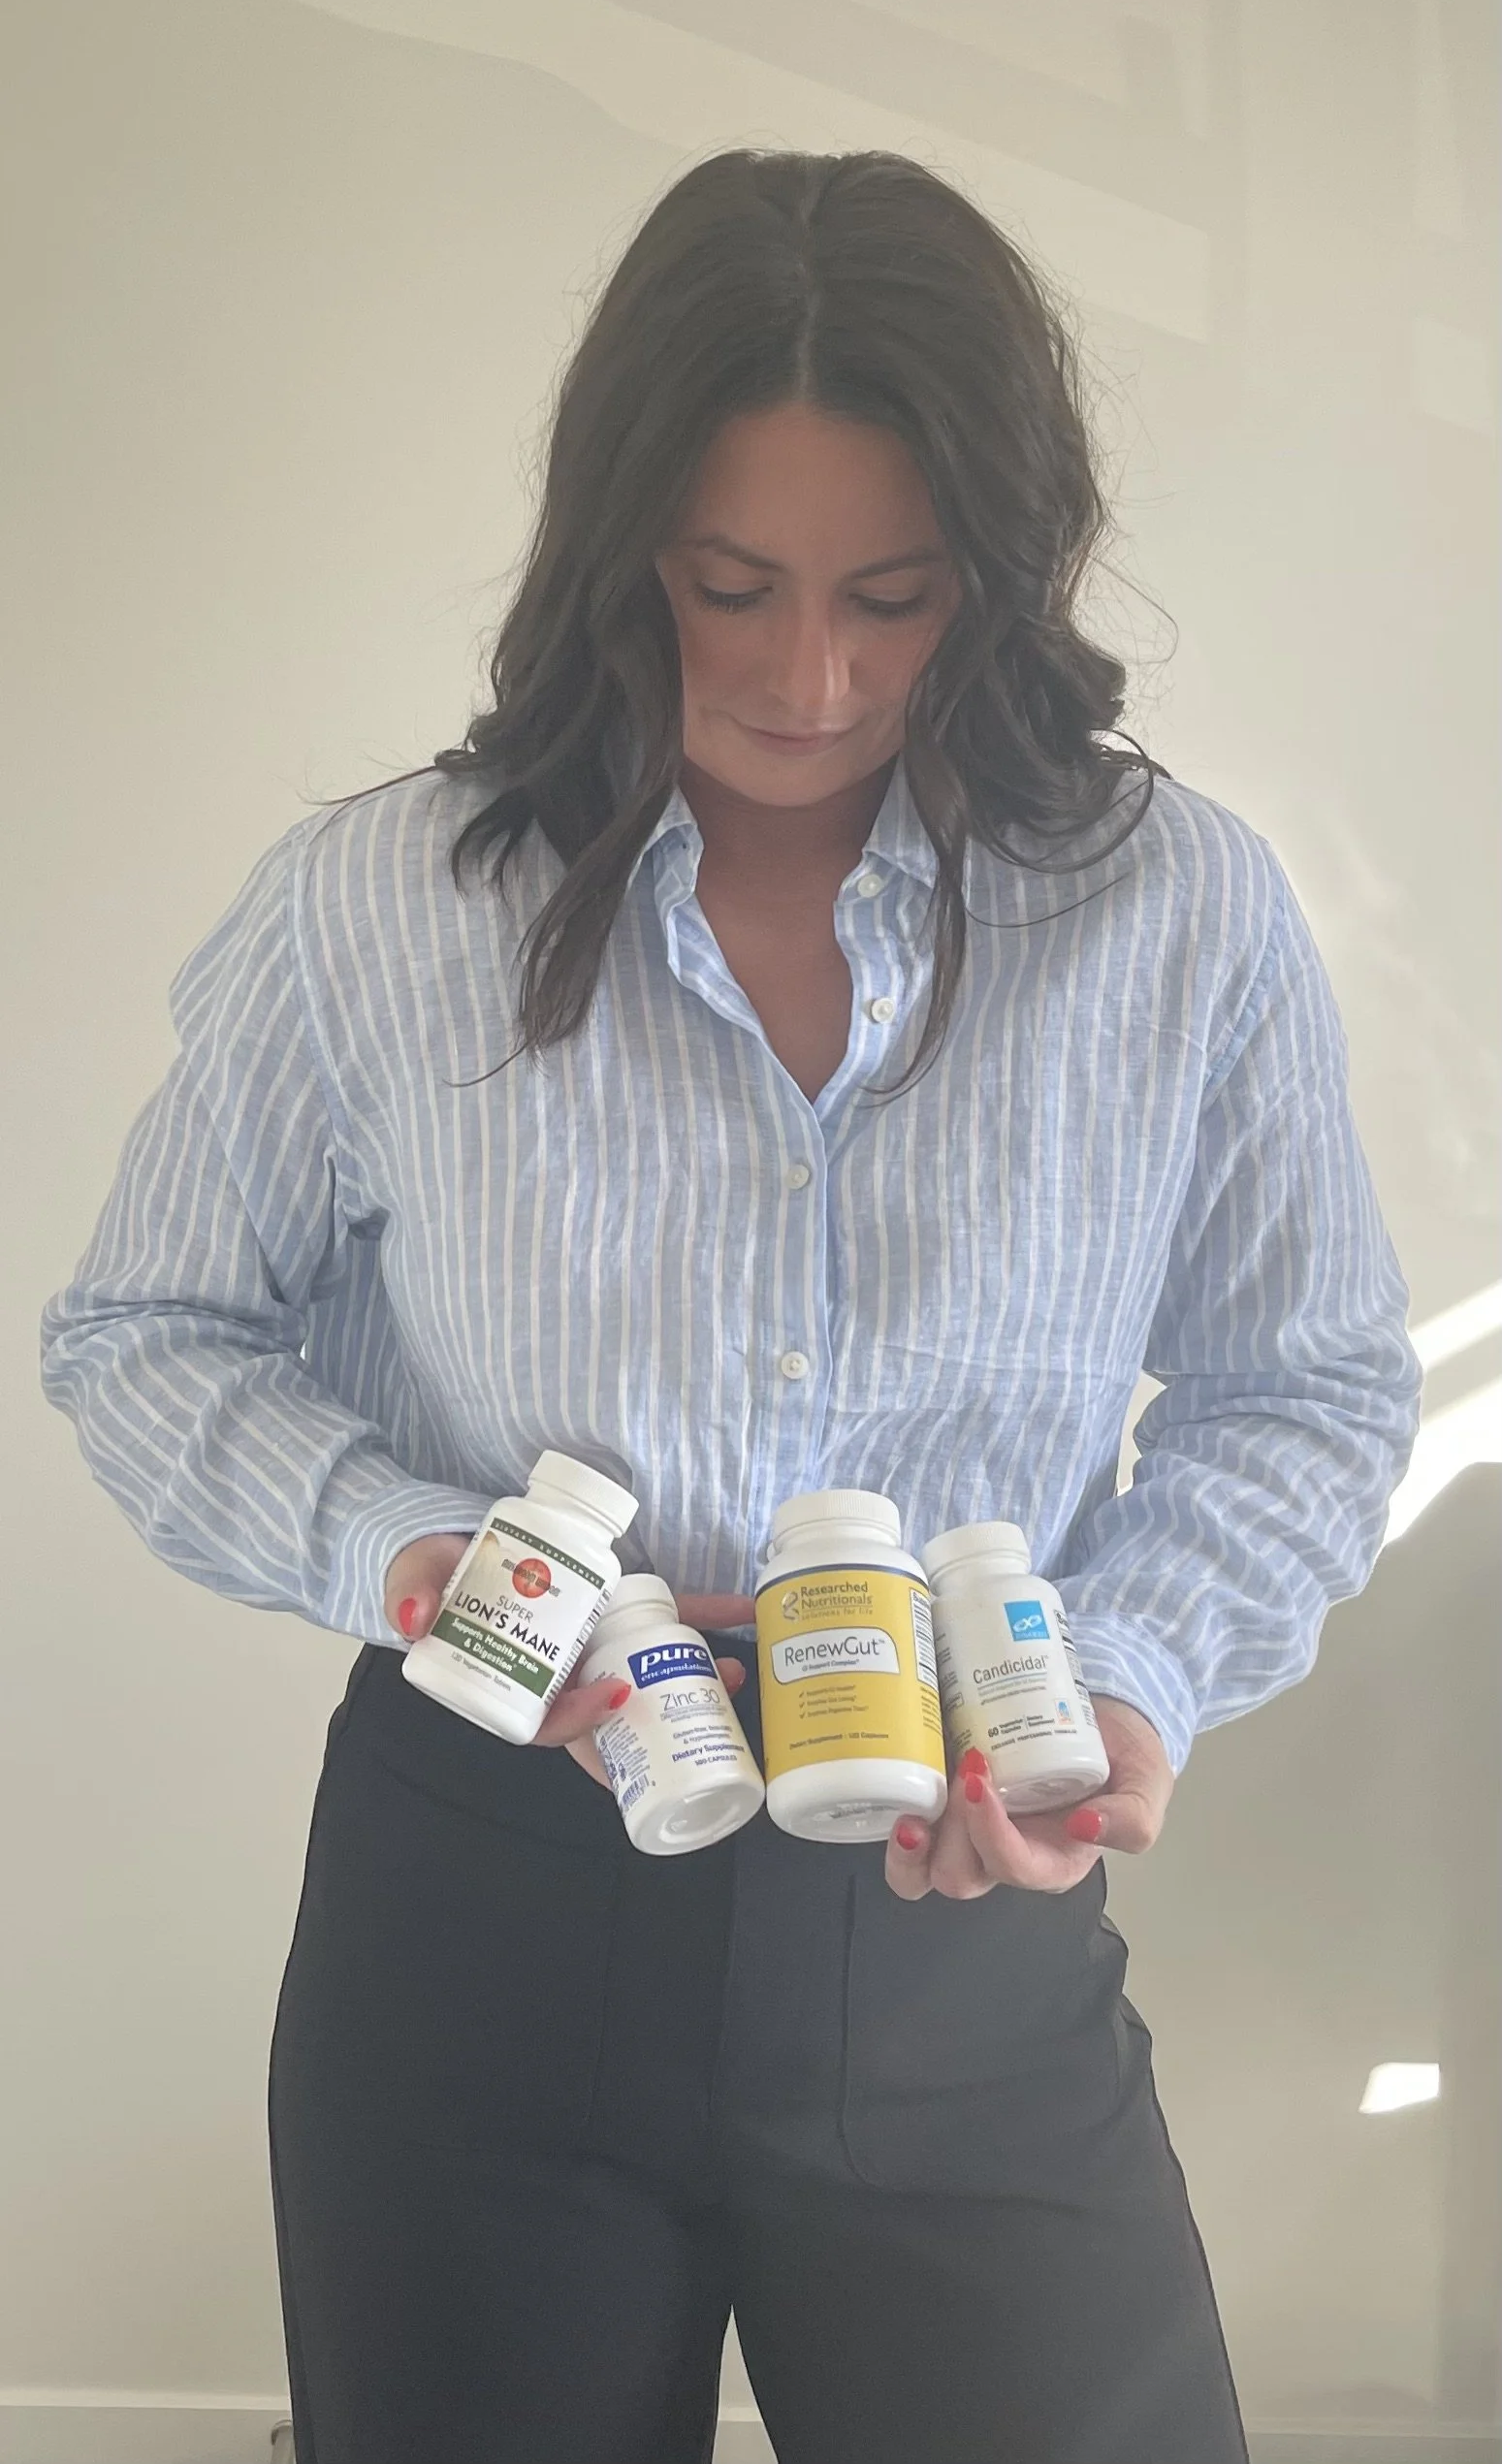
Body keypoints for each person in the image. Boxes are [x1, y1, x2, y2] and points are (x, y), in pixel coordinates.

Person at [39, 148, 1422, 2464]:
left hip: (958, 1899)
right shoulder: (382, 906)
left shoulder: (1178, 916)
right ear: (616, 554)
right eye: (728, 587)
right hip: (483, 1904)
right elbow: (146, 1329)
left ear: (1005, 566)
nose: (810, 679)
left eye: (896, 595)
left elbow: (1305, 1392)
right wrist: (412, 1552)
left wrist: (1132, 1669)